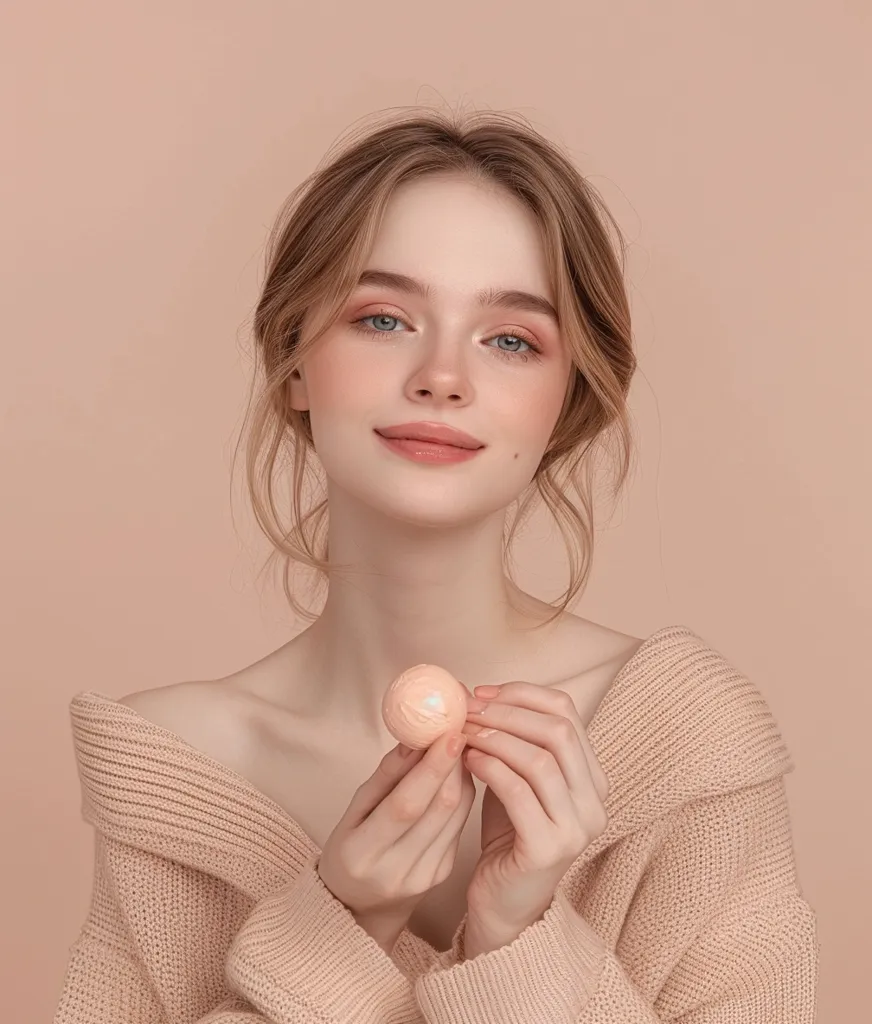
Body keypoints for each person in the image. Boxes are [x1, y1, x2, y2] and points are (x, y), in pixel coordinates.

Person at [54, 106, 818, 1022]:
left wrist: (521, 944)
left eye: (511, 340)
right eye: (382, 319)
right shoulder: (173, 774)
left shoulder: (687, 747)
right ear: (295, 363)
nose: (443, 375)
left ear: (564, 401)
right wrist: (333, 932)